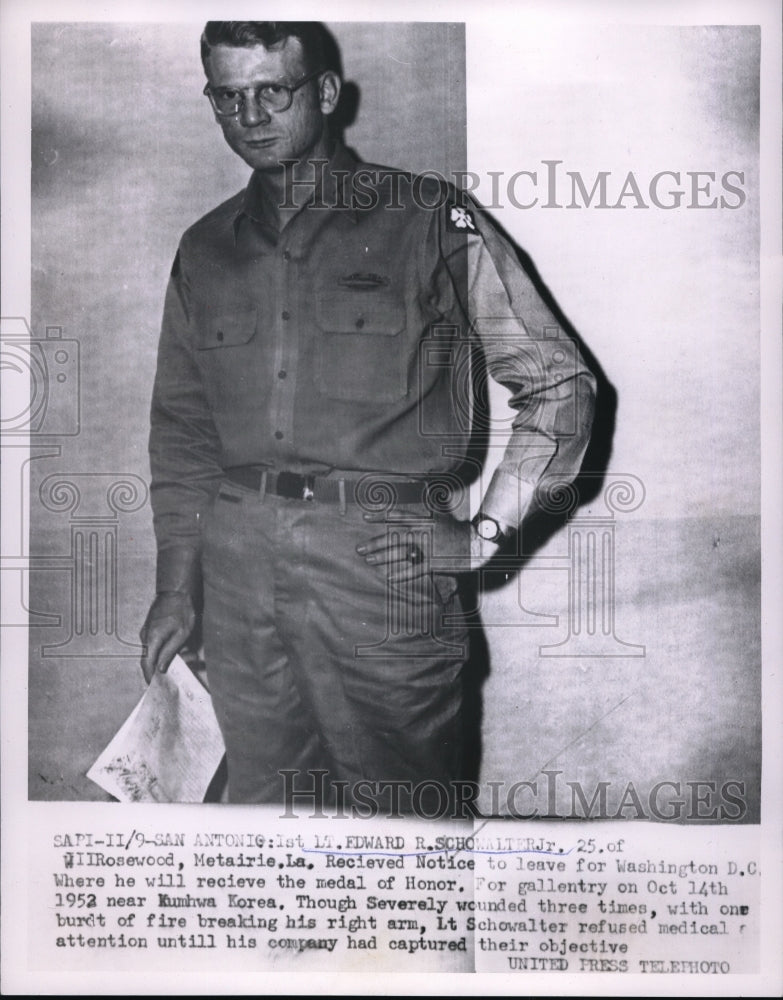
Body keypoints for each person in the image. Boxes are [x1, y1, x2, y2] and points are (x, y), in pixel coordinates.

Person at [140, 21, 596, 814]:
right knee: (265, 830)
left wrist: (482, 535)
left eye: (271, 91)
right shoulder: (204, 247)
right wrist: (177, 588)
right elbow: (183, 435)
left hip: (381, 573)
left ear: (322, 93)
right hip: (237, 575)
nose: (250, 115)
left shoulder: (426, 219)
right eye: (228, 96)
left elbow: (559, 385)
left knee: (407, 829)